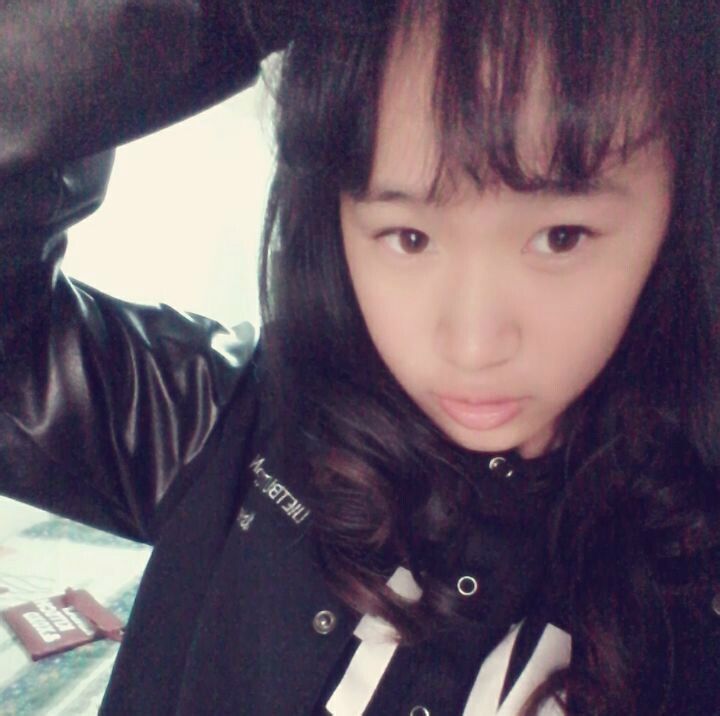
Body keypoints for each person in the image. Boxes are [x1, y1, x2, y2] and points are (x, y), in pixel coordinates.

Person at [1, 0, 718, 714]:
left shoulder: (691, 571)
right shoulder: (230, 424)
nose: (473, 346)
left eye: (561, 237)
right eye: (409, 237)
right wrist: (230, 16)